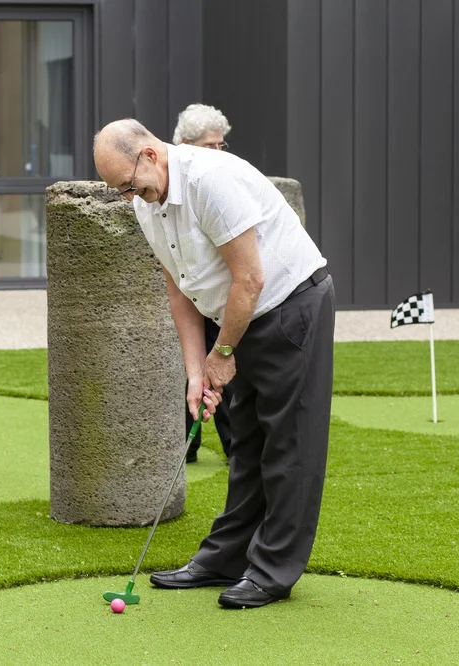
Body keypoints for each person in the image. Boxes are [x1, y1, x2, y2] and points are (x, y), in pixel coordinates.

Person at [93, 119, 335, 609]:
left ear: (149, 155)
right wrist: (195, 371)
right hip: (238, 316)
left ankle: (273, 570)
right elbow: (179, 293)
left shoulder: (209, 181)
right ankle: (225, 557)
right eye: (119, 191)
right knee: (245, 439)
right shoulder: (146, 203)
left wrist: (222, 355)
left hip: (289, 304)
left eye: (127, 185)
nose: (128, 197)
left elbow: (250, 278)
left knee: (288, 442)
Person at [172, 104, 234, 462]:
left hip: (227, 297)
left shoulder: (223, 181)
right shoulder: (179, 184)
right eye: (209, 146)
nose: (217, 153)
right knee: (196, 371)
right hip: (194, 294)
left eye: (220, 145)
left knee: (223, 371)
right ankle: (187, 446)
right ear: (184, 143)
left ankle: (233, 447)